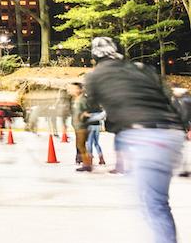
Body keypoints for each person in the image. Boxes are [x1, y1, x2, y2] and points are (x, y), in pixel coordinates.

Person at [85, 37, 186, 243]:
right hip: (173, 134)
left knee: (153, 205)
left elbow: (95, 106)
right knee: (157, 201)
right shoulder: (141, 69)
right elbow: (167, 98)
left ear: (95, 56)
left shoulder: (95, 77)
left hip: (143, 136)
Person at [68, 83, 92, 172]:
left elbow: (88, 111)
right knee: (80, 146)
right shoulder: (75, 100)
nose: (71, 90)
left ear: (79, 90)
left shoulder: (83, 99)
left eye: (73, 88)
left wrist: (83, 115)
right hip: (77, 126)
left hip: (82, 126)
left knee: (81, 146)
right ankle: (86, 163)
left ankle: (87, 164)